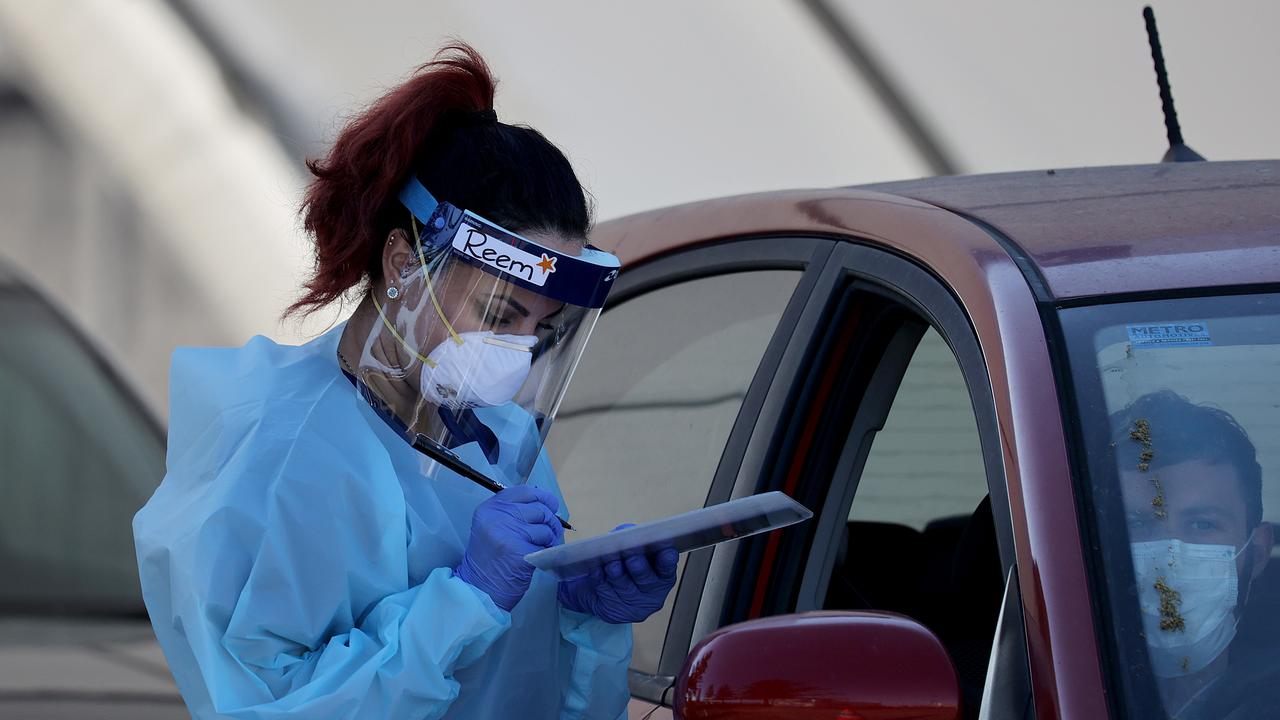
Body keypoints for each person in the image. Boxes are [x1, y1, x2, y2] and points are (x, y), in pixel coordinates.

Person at [133, 44, 678, 719]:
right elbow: (265, 706)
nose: (518, 351)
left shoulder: (496, 440)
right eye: (499, 313)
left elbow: (533, 694)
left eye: (543, 328)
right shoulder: (282, 454)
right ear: (403, 263)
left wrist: (588, 622)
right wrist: (466, 599)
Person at [1113, 390, 1274, 717]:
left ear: (1257, 552)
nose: (1167, 559)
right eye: (1136, 524)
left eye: (1202, 524)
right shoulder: (1036, 691)